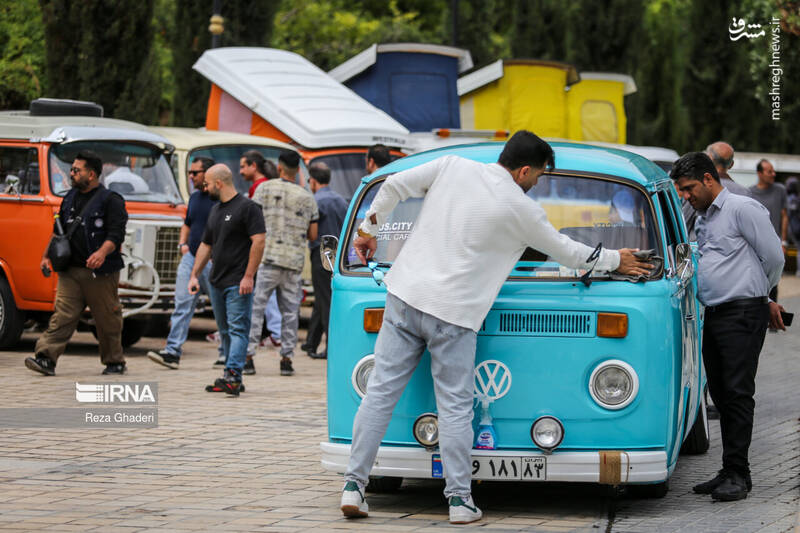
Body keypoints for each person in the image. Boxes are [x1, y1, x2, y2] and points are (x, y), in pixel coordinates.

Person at [339, 131, 652, 524]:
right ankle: (458, 501)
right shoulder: (522, 210)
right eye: (537, 176)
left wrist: (368, 232)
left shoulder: (453, 166)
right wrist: (613, 259)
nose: (536, 184)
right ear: (523, 170)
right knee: (454, 407)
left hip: (403, 297)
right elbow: (566, 250)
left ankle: (353, 486)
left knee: (380, 395)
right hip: (454, 316)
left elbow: (395, 184)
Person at [671, 152, 785, 502]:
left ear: (708, 179)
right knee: (719, 393)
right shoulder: (703, 217)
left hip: (743, 313)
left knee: (736, 393)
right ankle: (729, 469)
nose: (686, 196)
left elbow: (774, 257)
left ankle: (739, 474)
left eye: (689, 188)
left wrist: (761, 297)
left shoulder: (741, 208)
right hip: (717, 313)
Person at [25, 151, 129, 376]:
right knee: (62, 315)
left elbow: (116, 234)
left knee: (106, 318)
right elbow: (58, 233)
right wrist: (46, 256)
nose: (71, 174)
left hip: (100, 274)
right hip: (70, 271)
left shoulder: (111, 200)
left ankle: (114, 361)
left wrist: (102, 253)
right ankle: (45, 358)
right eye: (71, 169)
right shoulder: (70, 197)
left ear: (91, 174)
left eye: (76, 170)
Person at [190, 164, 265, 396]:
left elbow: (259, 241)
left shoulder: (248, 208)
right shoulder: (215, 210)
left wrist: (249, 276)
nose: (205, 187)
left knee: (238, 330)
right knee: (224, 331)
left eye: (208, 184)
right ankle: (233, 376)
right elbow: (206, 244)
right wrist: (194, 274)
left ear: (219, 183)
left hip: (238, 281)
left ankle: (232, 376)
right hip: (217, 281)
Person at [147, 157, 223, 369]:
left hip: (213, 260)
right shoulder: (195, 198)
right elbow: (187, 223)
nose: (191, 176)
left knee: (220, 308)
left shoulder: (220, 200)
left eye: (195, 173)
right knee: (182, 303)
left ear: (208, 174)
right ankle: (172, 352)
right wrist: (182, 244)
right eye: (190, 172)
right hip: (191, 258)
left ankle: (226, 353)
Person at [248, 151, 318, 376]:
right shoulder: (307, 197)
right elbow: (313, 234)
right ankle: (286, 359)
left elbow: (252, 223)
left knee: (256, 309)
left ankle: (248, 357)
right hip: (293, 262)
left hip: (267, 259)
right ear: (298, 170)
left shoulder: (263, 190)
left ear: (279, 167)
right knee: (290, 313)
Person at [304, 162, 348, 359]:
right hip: (339, 254)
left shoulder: (315, 201)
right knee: (322, 299)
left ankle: (333, 347)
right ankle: (310, 342)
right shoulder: (341, 200)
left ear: (313, 181)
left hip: (321, 253)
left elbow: (310, 231)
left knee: (326, 301)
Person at [748, 159, 789, 302]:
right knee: (755, 280)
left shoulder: (780, 190)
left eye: (773, 170)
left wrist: (783, 241)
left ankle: (772, 315)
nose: (773, 174)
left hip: (775, 243)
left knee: (773, 282)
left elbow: (785, 216)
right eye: (769, 171)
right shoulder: (750, 193)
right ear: (759, 173)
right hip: (755, 245)